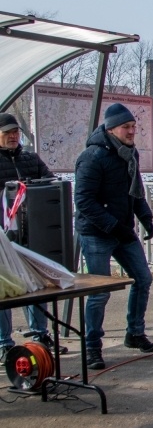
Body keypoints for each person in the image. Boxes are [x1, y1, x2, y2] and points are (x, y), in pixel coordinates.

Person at [74, 104, 153, 370]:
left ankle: (135, 333)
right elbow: (84, 201)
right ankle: (92, 347)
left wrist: (145, 218)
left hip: (123, 230)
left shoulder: (129, 155)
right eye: (127, 127)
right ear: (111, 129)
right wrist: (114, 226)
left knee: (143, 278)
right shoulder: (92, 157)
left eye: (134, 127)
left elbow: (136, 193)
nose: (133, 131)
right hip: (98, 233)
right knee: (99, 293)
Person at [0, 113, 67, 364]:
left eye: (16, 132)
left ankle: (40, 334)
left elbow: (50, 182)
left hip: (32, 233)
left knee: (36, 283)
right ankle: (4, 343)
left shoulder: (30, 158)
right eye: (8, 132)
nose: (13, 136)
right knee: (6, 289)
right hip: (3, 237)